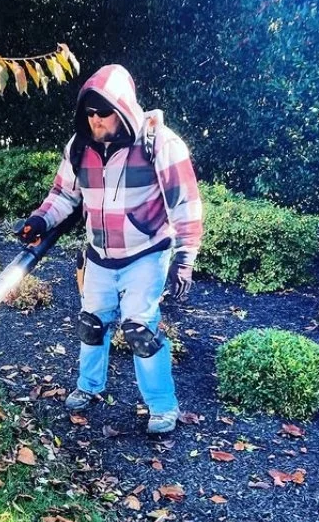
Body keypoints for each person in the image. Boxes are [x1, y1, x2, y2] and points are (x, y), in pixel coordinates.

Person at [15, 64, 203, 434]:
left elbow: (185, 202)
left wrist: (184, 257)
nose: (98, 122)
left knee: (139, 329)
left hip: (145, 254)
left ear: (123, 110)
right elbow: (63, 197)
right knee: (91, 324)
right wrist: (39, 220)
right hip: (99, 255)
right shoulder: (79, 147)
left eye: (105, 113)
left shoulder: (160, 143)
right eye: (91, 114)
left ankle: (162, 406)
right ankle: (90, 388)